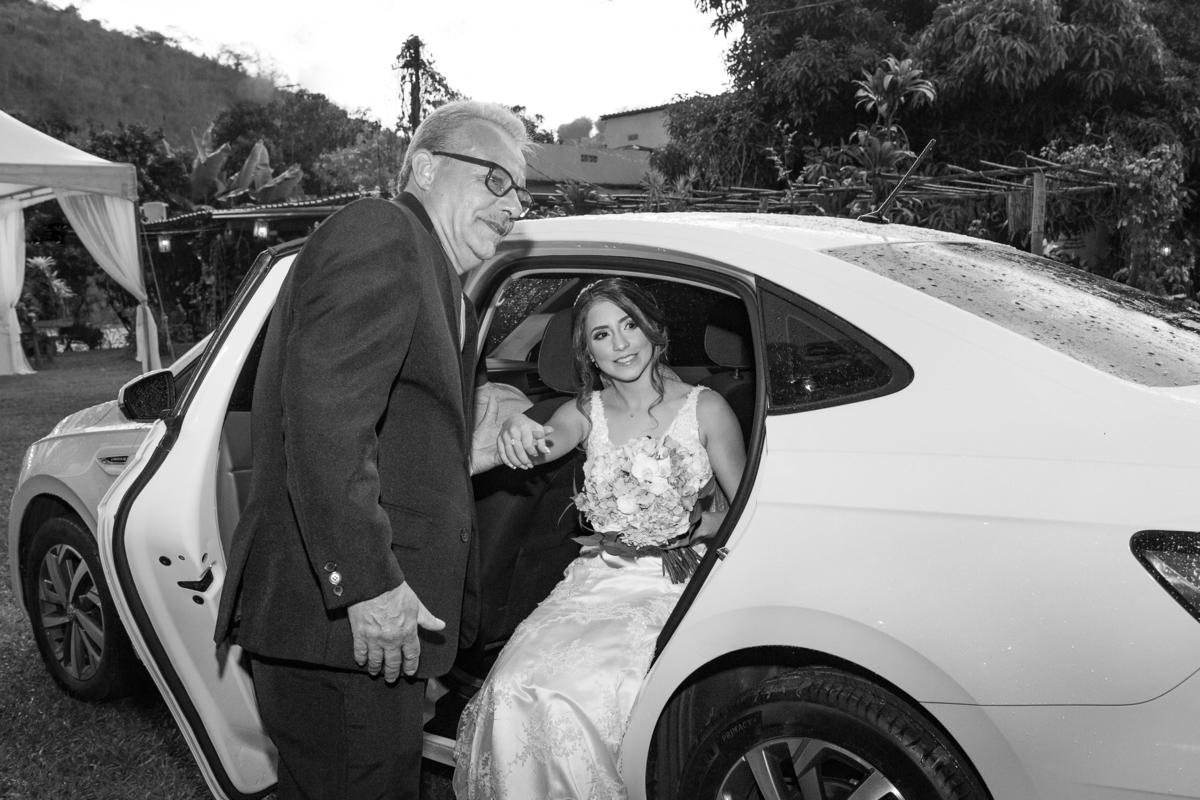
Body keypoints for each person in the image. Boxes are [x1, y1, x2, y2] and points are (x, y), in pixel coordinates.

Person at [213, 100, 533, 800]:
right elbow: (325, 421)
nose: (511, 209)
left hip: (363, 639)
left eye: (521, 194)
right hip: (338, 631)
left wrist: (474, 453)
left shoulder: (449, 286)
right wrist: (369, 585)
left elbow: (383, 433)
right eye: (496, 181)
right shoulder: (380, 232)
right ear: (425, 165)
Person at [453, 278, 747, 799]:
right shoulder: (584, 411)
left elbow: (744, 513)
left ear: (656, 329)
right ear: (587, 352)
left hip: (675, 583)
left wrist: (693, 528)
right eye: (602, 335)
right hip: (598, 578)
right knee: (514, 683)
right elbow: (545, 442)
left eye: (630, 325)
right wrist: (520, 432)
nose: (621, 344)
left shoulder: (707, 410)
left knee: (600, 691)